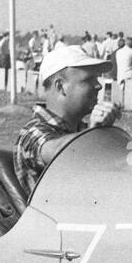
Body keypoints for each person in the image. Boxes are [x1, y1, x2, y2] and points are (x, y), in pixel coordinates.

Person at [14, 44, 121, 198]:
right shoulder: (32, 133)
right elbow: (57, 151)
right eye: (88, 80)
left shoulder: (79, 130)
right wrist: (92, 134)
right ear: (60, 86)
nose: (98, 85)